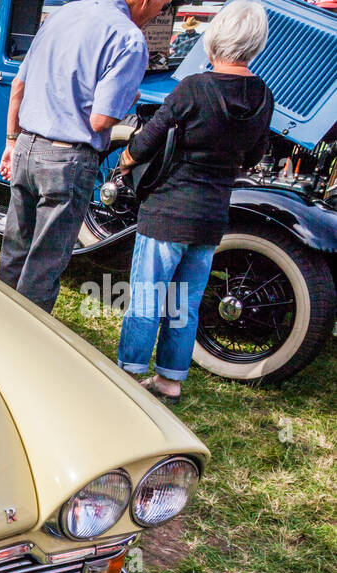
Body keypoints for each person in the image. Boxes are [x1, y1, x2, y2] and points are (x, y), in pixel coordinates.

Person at [115, 1, 273, 402]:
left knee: (148, 300)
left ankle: (129, 378)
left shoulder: (193, 88)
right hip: (211, 217)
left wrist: (127, 158)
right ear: (255, 42)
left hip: (168, 212)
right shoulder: (261, 96)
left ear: (215, 36)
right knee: (184, 304)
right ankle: (170, 380)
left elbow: (148, 139)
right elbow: (254, 157)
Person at [0, 0, 165, 313]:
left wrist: (11, 141)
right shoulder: (128, 37)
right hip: (66, 159)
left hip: (27, 146)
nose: (160, 13)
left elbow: (19, 84)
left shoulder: (63, 13)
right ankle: (22, 345)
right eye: (163, 6)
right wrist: (129, 98)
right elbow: (100, 121)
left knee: (14, 253)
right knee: (43, 267)